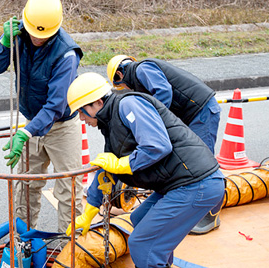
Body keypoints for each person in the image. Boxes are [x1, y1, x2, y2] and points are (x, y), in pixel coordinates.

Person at [66, 72, 225, 267]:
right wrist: (88, 213)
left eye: (81, 111)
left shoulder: (128, 104)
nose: (81, 118)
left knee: (143, 244)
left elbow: (157, 145)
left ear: (98, 103)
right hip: (181, 184)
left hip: (197, 183)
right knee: (138, 219)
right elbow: (106, 171)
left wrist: (122, 165)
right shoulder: (110, 123)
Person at [0, 0, 84, 233]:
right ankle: (25, 241)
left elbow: (54, 107)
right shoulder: (19, 34)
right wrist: (4, 43)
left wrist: (26, 133)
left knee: (68, 190)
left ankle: (70, 250)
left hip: (61, 127)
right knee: (26, 187)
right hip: (31, 122)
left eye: (43, 36)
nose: (37, 39)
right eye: (32, 33)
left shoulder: (66, 54)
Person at [107, 55, 222, 235]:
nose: (125, 90)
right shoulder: (140, 73)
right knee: (191, 162)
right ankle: (193, 209)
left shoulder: (141, 69)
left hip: (202, 111)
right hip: (194, 114)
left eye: (121, 86)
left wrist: (155, 122)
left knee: (204, 164)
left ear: (120, 75)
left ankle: (210, 216)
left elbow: (163, 91)